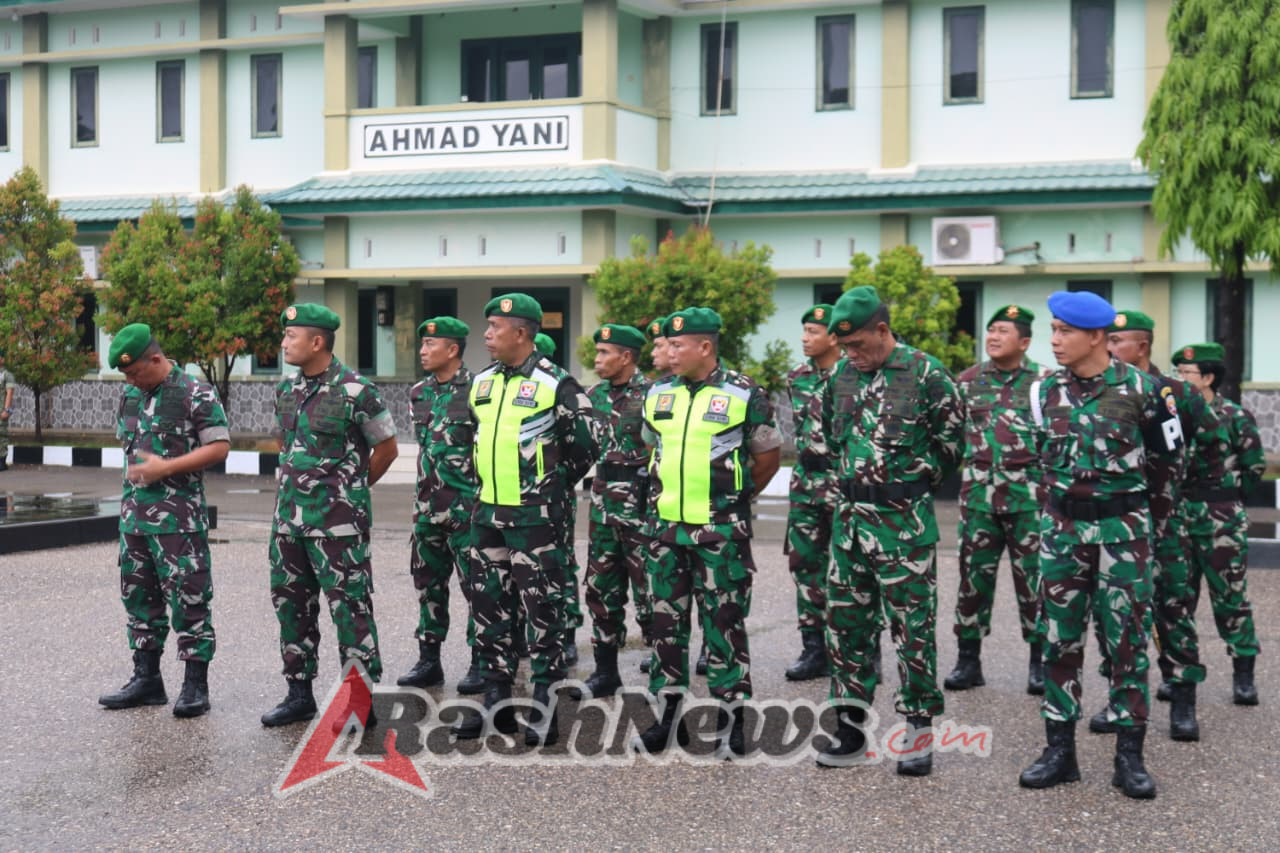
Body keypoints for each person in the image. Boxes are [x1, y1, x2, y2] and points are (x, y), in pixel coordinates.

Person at [1019, 291, 1180, 800]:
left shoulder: (1144, 390)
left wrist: (1145, 529)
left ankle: (1129, 759)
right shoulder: (1043, 391)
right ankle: (1059, 752)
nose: (1055, 340)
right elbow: (1040, 460)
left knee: (1128, 644)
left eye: (1065, 331)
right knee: (1058, 642)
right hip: (1064, 534)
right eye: (1053, 330)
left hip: (1124, 535)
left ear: (1096, 337)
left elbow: (1167, 466)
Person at [815, 286, 964, 775]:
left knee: (912, 630)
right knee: (846, 628)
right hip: (850, 524)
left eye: (858, 344)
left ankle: (918, 729)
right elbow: (833, 440)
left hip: (904, 526)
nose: (852, 355)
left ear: (883, 330)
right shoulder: (839, 375)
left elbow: (950, 445)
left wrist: (906, 486)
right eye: (845, 347)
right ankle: (851, 729)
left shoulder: (927, 374)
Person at [632, 307, 782, 756]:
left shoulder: (744, 394)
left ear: (705, 347)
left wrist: (732, 503)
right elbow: (650, 445)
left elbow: (768, 457)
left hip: (720, 535)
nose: (669, 352)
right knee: (665, 627)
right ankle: (668, 715)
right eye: (667, 344)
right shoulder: (659, 393)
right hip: (666, 534)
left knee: (724, 625)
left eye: (678, 345)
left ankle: (732, 718)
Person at [451, 293, 598, 747]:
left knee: (542, 613)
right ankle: (496, 703)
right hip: (487, 513)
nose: (487, 335)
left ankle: (544, 706)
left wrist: (548, 486)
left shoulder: (557, 383)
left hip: (535, 519)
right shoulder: (483, 383)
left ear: (522, 333)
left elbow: (586, 445)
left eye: (495, 327)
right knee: (488, 608)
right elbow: (473, 438)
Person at [261, 303, 399, 727]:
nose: (284, 343)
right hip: (288, 524)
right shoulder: (287, 389)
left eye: (291, 336)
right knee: (292, 608)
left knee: (350, 611)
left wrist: (351, 492)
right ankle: (298, 693)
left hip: (338, 526)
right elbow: (287, 446)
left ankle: (359, 702)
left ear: (317, 342)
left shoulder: (357, 391)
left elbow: (386, 449)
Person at [1087, 310, 1214, 741]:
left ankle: (1182, 700)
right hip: (1118, 528)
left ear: (1142, 346)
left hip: (1165, 528)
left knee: (1173, 609)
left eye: (1118, 340)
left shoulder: (1176, 392)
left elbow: (1202, 445)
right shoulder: (1102, 391)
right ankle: (1117, 697)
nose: (1110, 347)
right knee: (1113, 616)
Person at [98, 323, 230, 718]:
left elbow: (220, 447)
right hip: (133, 520)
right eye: (126, 375)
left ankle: (194, 685)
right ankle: (147, 680)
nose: (131, 380)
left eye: (136, 371)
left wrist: (165, 468)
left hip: (179, 522)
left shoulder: (196, 394)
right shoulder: (130, 396)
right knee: (139, 600)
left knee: (189, 601)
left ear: (156, 359)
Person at [945, 305, 1049, 696]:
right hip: (979, 502)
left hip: (1030, 501)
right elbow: (951, 436)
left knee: (1035, 584)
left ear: (1023, 341)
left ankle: (1039, 663)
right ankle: (968, 660)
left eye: (1003, 331)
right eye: (990, 330)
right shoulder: (968, 382)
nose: (993, 336)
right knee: (973, 582)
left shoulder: (1044, 384)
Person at [1173, 342, 1264, 707]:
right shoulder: (1174, 415)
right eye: (1177, 372)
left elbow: (1253, 466)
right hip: (1179, 517)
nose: (1180, 379)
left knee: (1230, 598)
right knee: (1177, 600)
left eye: (1186, 374)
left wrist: (1223, 496)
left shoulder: (1234, 416)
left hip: (1220, 519)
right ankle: (1177, 674)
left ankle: (1244, 675)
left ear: (1208, 377)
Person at [397, 317, 482, 693]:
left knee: (478, 589)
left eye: (431, 345)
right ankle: (429, 660)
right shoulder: (418, 393)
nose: (423, 351)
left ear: (453, 350)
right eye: (422, 344)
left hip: (468, 510)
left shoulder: (479, 390)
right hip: (428, 510)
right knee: (428, 585)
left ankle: (482, 661)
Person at [572, 323, 653, 698]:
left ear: (626, 357)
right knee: (601, 590)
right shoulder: (592, 396)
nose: (598, 359)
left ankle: (663, 669)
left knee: (652, 593)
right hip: (603, 509)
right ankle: (606, 672)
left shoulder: (653, 394)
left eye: (605, 353)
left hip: (643, 511)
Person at [782, 304, 841, 681]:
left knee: (852, 571)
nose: (805, 338)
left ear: (834, 337)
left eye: (813, 331)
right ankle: (813, 648)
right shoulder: (797, 378)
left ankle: (862, 647)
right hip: (805, 485)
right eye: (803, 331)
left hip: (842, 484)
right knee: (804, 567)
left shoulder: (852, 376)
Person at [534, 331, 583, 667]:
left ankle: (567, 635)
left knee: (560, 567)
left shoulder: (559, 388)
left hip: (554, 500)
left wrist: (559, 478)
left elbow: (581, 447)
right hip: (518, 503)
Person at [0, 349, 13, 471]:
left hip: (1, 411)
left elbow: (9, 393)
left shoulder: (7, 375)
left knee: (1, 434)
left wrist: (7, 410)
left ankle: (2, 462)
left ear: (2, 360)